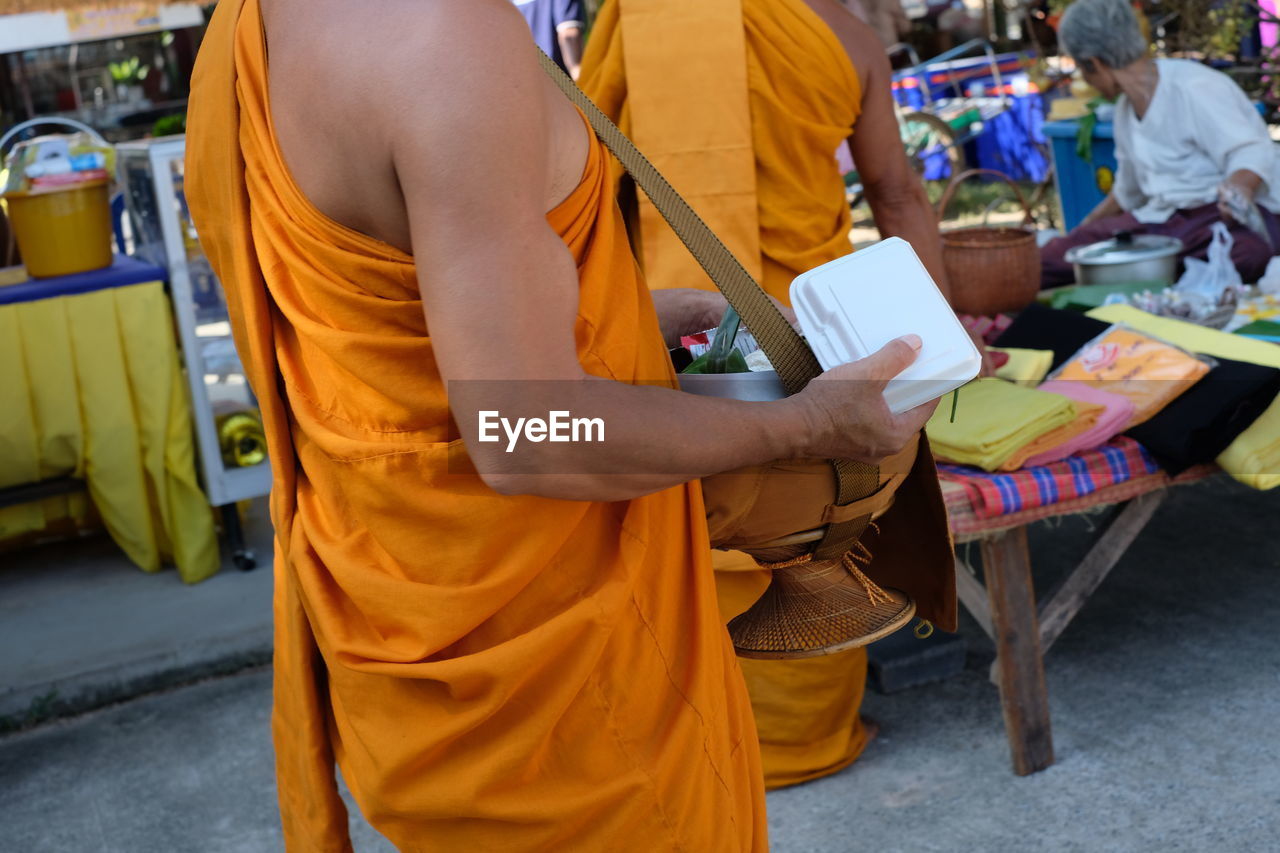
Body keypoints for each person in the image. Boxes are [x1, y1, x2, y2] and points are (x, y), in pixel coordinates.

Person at [184, 0, 944, 847]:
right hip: (571, 692)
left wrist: (631, 312)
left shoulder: (250, 30)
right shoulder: (445, 37)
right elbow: (524, 432)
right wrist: (802, 427)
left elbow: (414, 314)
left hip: (413, 629)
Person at [581, 0, 957, 790]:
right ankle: (807, 731)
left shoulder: (634, 20)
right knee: (824, 518)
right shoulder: (845, 37)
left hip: (682, 331)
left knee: (687, 517)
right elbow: (896, 195)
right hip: (818, 331)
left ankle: (698, 730)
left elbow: (586, 168)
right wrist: (939, 332)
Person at [1041, 0, 1280, 288]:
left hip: (1213, 220)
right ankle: (1161, 274)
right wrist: (1081, 232)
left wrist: (1239, 187)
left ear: (1095, 63)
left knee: (1246, 253)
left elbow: (1250, 150)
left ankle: (1158, 275)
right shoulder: (1124, 112)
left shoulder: (1193, 87)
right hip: (1162, 226)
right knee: (1054, 259)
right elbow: (1128, 192)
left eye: (1082, 69)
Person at [512, 0, 586, 79]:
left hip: (525, 81)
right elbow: (569, 34)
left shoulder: (502, 5)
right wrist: (579, 77)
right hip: (558, 82)